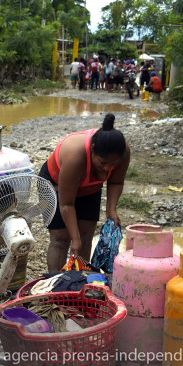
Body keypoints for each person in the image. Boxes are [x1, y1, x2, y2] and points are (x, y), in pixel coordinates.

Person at [39, 113, 131, 272]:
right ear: (93, 150)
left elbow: (116, 181)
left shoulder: (122, 152)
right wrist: (74, 239)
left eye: (113, 164)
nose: (107, 168)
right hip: (54, 185)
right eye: (103, 163)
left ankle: (79, 282)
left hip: (89, 187)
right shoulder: (76, 156)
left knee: (86, 236)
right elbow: (67, 204)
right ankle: (55, 285)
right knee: (61, 239)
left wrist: (111, 210)